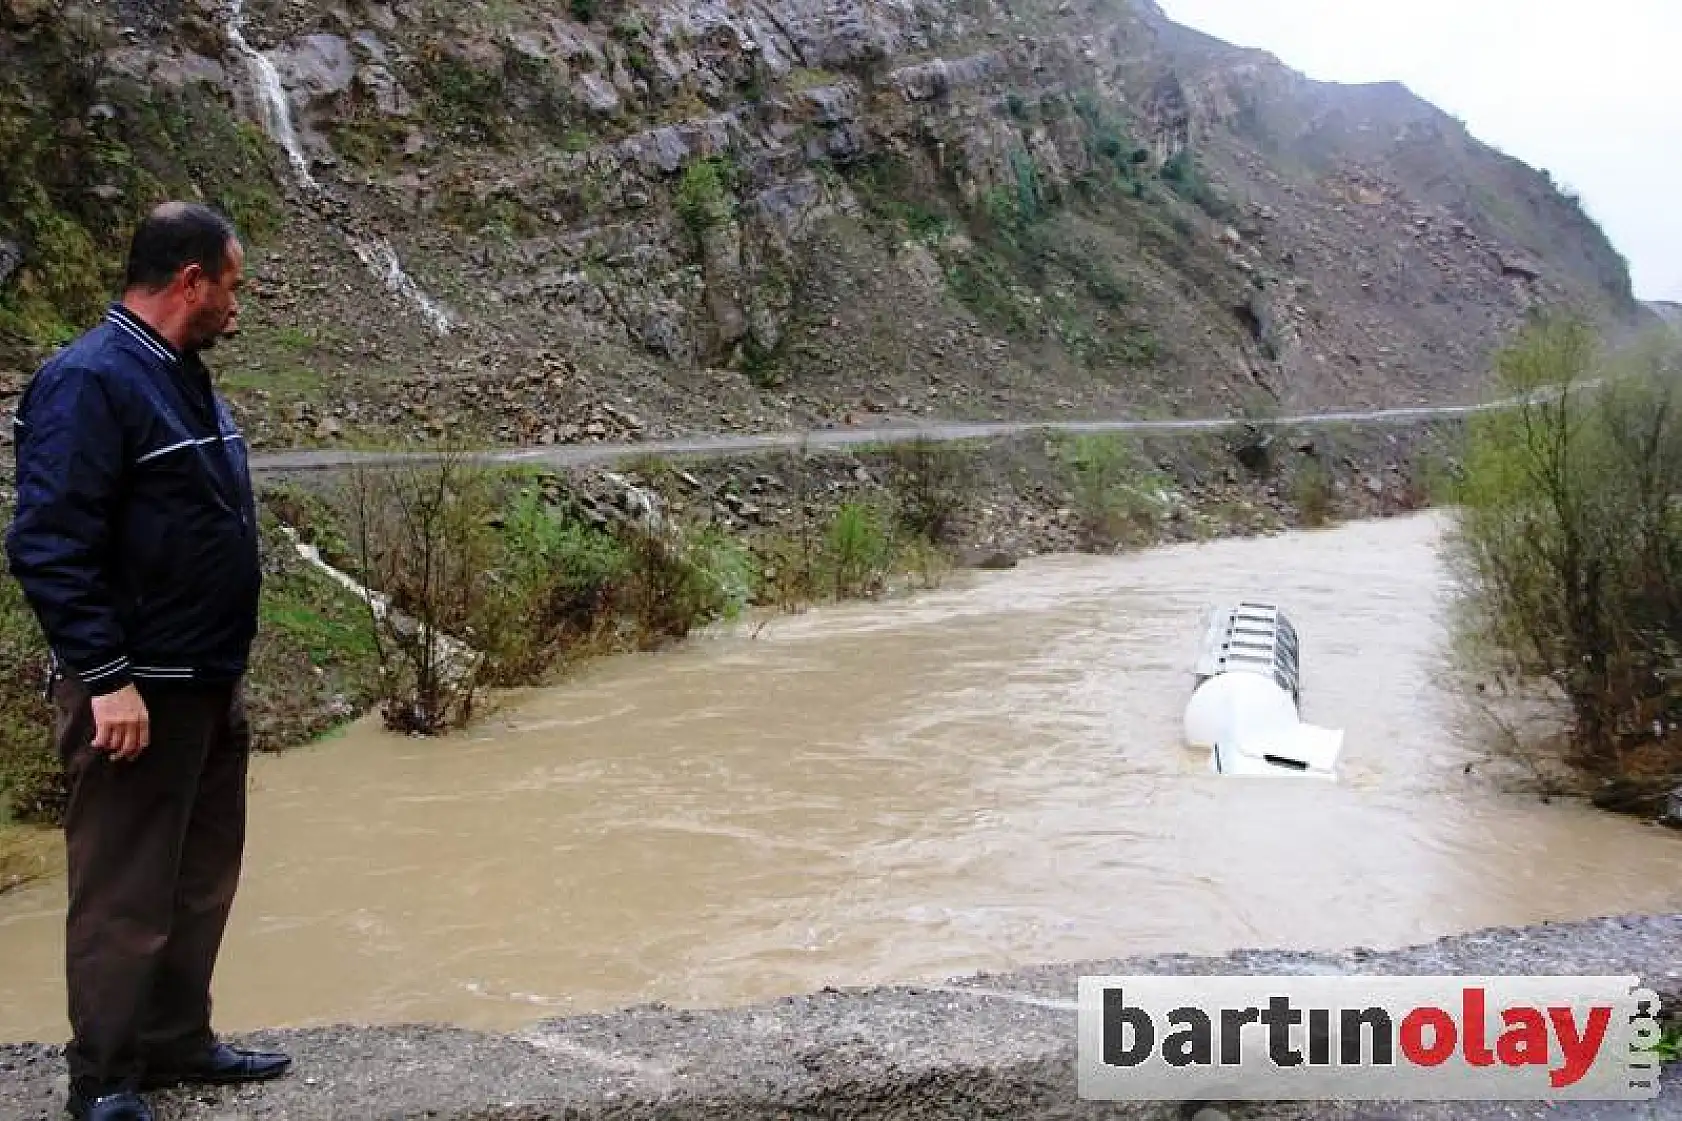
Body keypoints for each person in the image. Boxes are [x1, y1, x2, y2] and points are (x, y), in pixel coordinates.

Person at [5, 202, 291, 1121]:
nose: (239, 305)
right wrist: (105, 675)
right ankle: (107, 1078)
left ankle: (176, 1039)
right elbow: (49, 541)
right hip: (135, 689)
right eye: (233, 285)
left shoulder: (181, 375)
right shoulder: (90, 380)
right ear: (190, 281)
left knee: (200, 874)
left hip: (207, 680)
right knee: (124, 886)